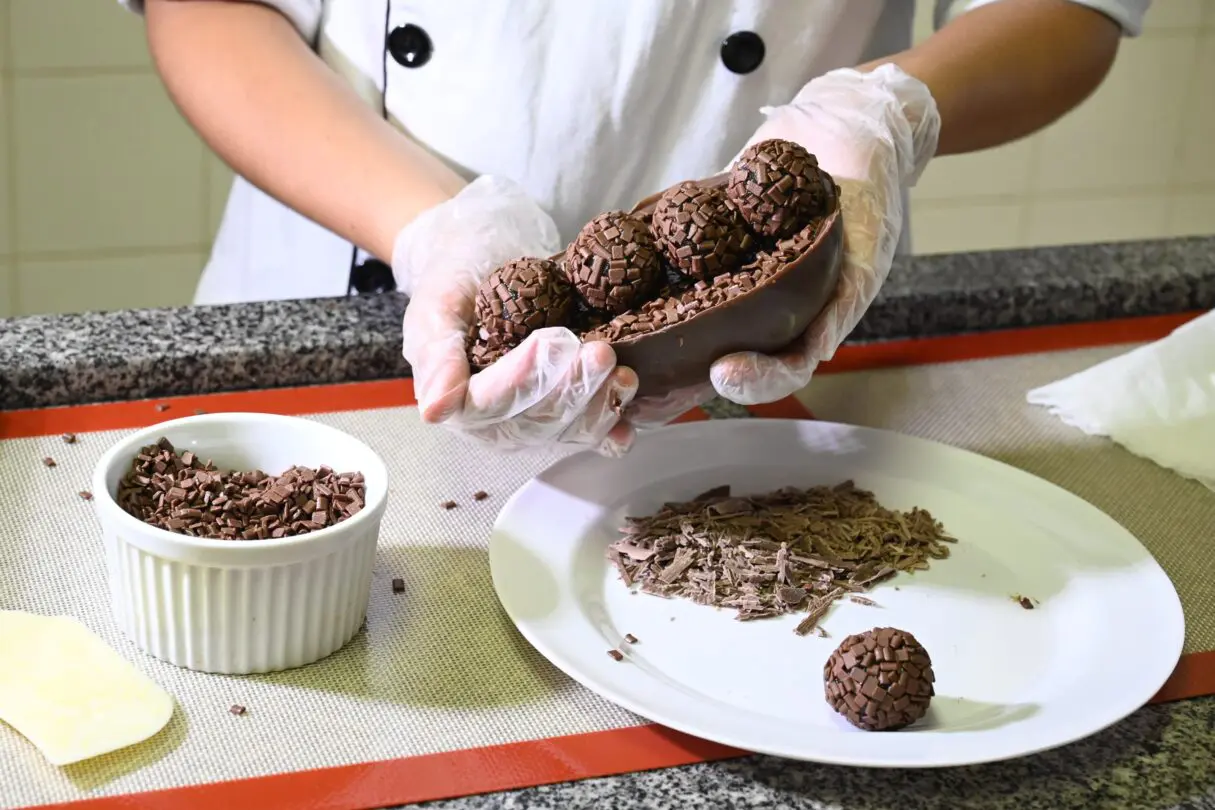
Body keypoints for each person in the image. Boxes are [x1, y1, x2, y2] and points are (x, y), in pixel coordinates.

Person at [123, 0, 1148, 455]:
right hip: (357, 315)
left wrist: (888, 111)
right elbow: (208, 5)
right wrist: (431, 223)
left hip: (765, 346)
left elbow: (1067, 8)